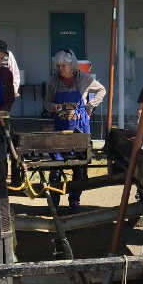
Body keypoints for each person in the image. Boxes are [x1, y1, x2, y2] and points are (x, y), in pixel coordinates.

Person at [44, 48, 106, 212]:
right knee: (56, 167)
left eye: (63, 66)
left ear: (72, 65)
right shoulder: (53, 82)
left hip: (80, 130)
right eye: (58, 66)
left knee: (79, 168)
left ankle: (74, 201)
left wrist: (90, 106)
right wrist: (53, 107)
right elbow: (46, 103)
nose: (60, 69)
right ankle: (54, 202)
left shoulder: (84, 78)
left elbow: (102, 90)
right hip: (60, 131)